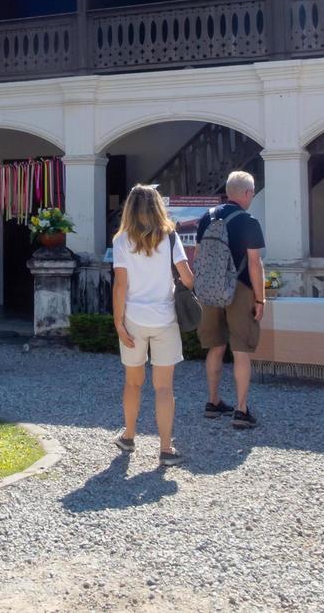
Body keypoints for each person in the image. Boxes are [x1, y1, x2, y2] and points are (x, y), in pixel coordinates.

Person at [111, 184, 195, 467]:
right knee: (164, 388)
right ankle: (166, 448)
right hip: (165, 317)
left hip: (133, 318)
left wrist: (118, 322)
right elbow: (188, 278)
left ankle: (129, 435)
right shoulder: (169, 237)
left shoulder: (122, 240)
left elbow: (120, 285)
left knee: (133, 383)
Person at [194, 171, 266, 430]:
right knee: (241, 350)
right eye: (253, 192)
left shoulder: (207, 217)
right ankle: (241, 410)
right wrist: (260, 299)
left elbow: (199, 256)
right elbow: (255, 264)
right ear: (246, 193)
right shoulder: (248, 221)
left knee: (215, 346)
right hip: (240, 289)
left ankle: (213, 403)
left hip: (210, 289)